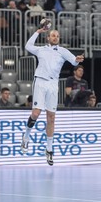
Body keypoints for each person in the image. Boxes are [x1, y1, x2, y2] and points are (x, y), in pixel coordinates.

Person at [21, 24, 84, 166]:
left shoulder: (62, 51)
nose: (55, 37)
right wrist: (37, 31)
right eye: (52, 35)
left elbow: (74, 61)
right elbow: (27, 46)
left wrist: (78, 59)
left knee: (51, 117)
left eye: (57, 36)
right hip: (40, 82)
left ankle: (49, 149)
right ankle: (26, 137)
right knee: (36, 113)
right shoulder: (41, 49)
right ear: (48, 37)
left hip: (53, 84)